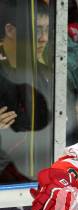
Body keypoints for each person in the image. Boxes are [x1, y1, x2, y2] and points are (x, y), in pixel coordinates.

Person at [0, 0, 50, 182]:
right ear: (10, 30)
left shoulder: (46, 75)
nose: (43, 38)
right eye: (36, 30)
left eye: (46, 30)